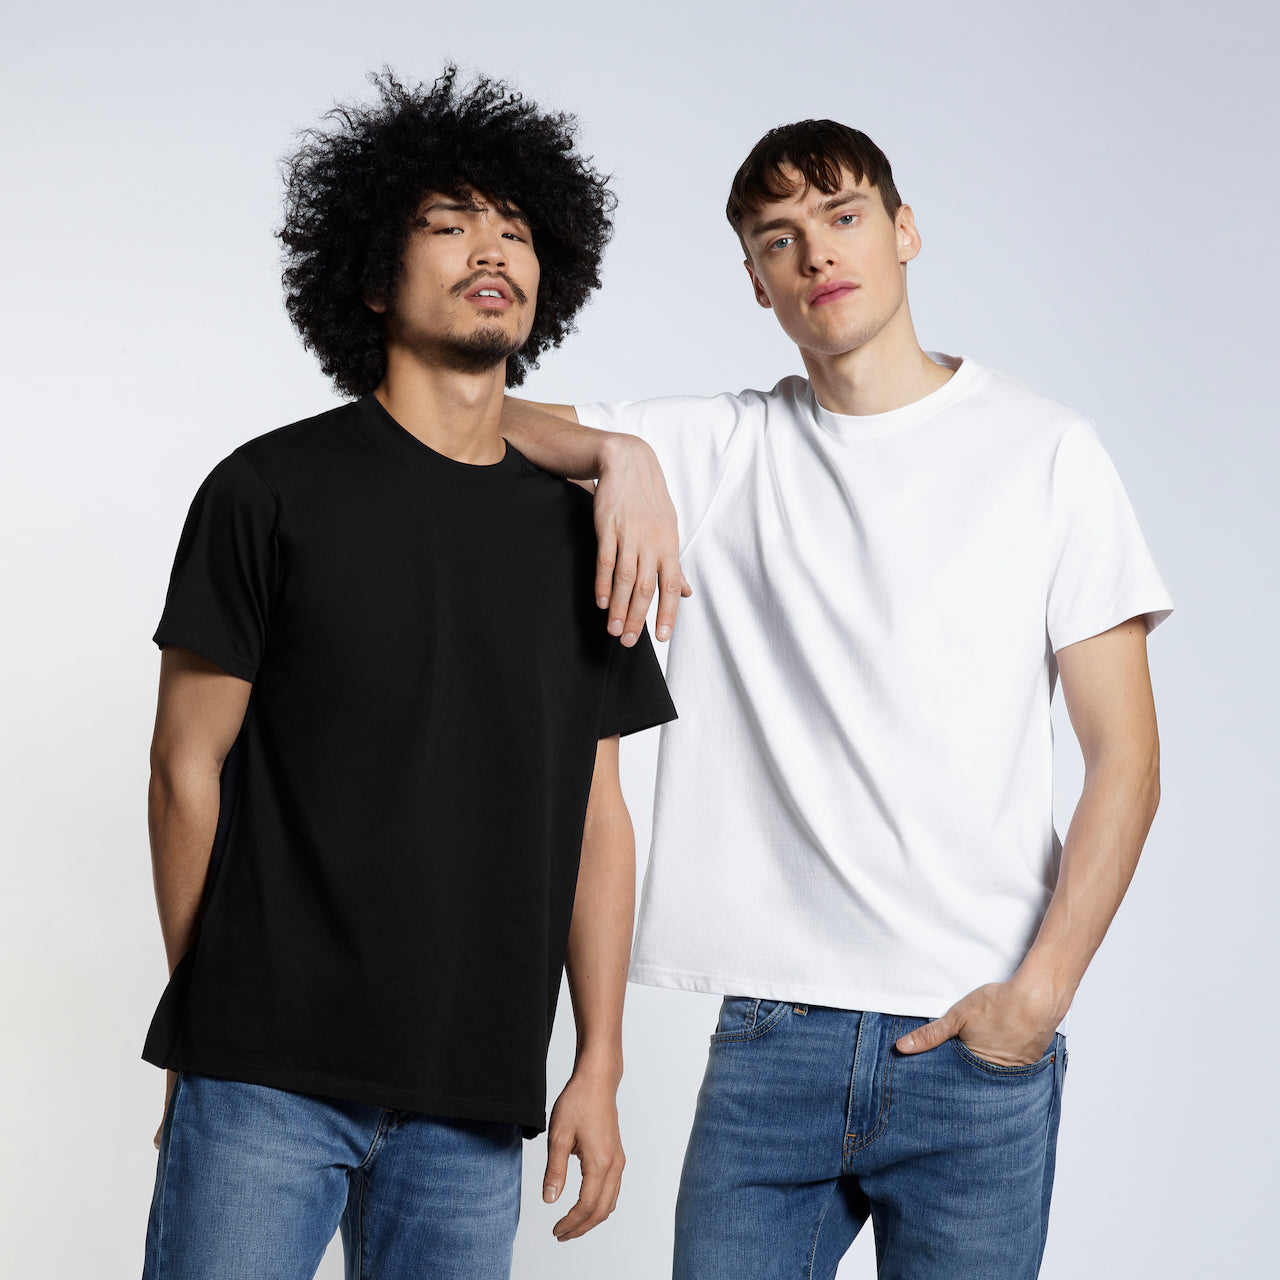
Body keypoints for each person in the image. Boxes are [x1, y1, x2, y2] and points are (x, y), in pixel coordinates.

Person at [500, 118, 1172, 1278]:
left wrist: (1035, 997)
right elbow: (465, 420)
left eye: (843, 215)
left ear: (903, 230)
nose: (816, 253)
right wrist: (618, 455)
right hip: (774, 1037)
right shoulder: (720, 447)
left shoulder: (1047, 452)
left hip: (975, 1034)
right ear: (757, 284)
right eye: (778, 239)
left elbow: (1125, 756)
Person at [140, 68, 675, 1280]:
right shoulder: (267, 491)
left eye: (514, 227)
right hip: (266, 1077)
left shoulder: (585, 532)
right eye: (447, 223)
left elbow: (599, 817)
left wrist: (597, 1059)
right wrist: (207, 1022)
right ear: (374, 277)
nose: (489, 246)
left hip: (474, 1099)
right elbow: (185, 765)